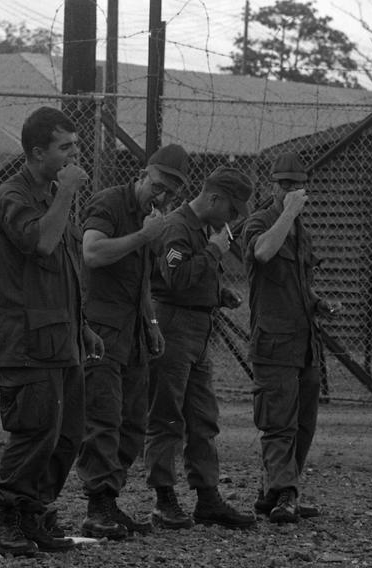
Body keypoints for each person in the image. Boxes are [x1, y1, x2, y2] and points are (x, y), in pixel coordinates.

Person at [0, 106, 104, 556]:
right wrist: (67, 193)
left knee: (67, 434)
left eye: (76, 145)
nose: (75, 155)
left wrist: (84, 326)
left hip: (62, 337)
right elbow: (42, 243)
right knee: (35, 432)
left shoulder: (54, 194)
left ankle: (34, 513)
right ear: (37, 152)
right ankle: (5, 518)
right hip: (27, 340)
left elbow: (64, 269)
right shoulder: (14, 196)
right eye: (65, 147)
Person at [75, 144, 190, 539]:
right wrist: (142, 235)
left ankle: (110, 501)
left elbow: (141, 278)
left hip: (134, 331)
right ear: (143, 174)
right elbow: (91, 253)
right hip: (102, 331)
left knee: (133, 423)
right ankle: (98, 506)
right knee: (103, 419)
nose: (161, 197)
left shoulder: (149, 217)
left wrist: (152, 320)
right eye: (158, 187)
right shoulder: (110, 204)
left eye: (170, 194)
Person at [144, 166, 257, 531]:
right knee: (168, 416)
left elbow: (191, 276)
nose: (233, 219)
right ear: (214, 198)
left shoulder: (200, 230)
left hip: (197, 328)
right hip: (174, 329)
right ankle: (164, 499)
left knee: (202, 418)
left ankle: (207, 498)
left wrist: (218, 293)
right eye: (232, 210)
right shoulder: (178, 228)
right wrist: (213, 251)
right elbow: (174, 279)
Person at [240, 152, 333, 524]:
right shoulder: (262, 222)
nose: (291, 191)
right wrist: (288, 213)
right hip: (274, 342)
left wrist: (319, 302)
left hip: (305, 341)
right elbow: (262, 253)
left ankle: (275, 492)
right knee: (278, 421)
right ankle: (287, 493)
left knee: (304, 423)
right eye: (284, 184)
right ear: (271, 185)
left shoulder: (301, 232)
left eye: (297, 185)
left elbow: (300, 285)